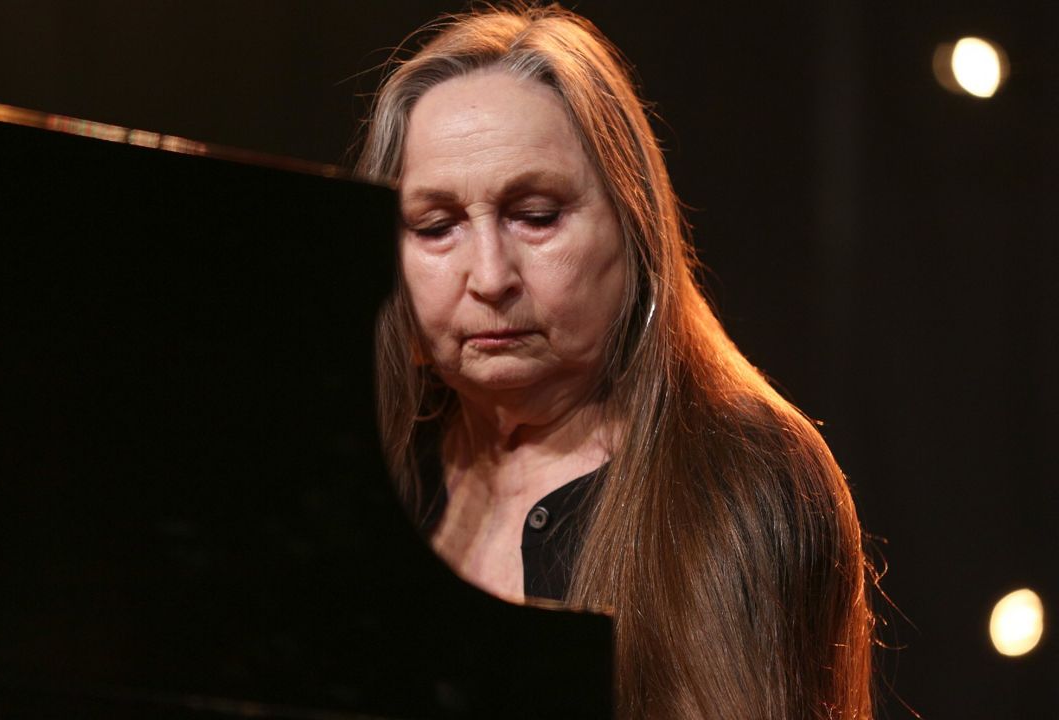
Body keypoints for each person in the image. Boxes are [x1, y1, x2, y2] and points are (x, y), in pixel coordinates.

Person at [354, 3, 873, 719]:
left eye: (535, 216)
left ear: (633, 225)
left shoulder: (738, 473)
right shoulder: (376, 464)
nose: (490, 274)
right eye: (436, 227)